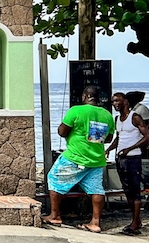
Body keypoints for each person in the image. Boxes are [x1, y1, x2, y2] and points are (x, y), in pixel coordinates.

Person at [46, 85, 116, 233]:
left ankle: (55, 215)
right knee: (97, 189)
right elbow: (108, 138)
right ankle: (95, 223)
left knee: (53, 178)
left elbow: (62, 132)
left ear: (85, 96)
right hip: (96, 159)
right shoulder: (107, 115)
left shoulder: (76, 111)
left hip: (75, 157)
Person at [106, 91, 149, 235]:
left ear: (125, 102)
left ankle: (135, 222)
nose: (115, 104)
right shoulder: (117, 119)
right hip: (121, 158)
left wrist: (130, 148)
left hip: (133, 158)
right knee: (127, 191)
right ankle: (135, 220)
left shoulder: (135, 117)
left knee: (135, 191)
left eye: (117, 101)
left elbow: (147, 137)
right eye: (113, 102)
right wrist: (109, 149)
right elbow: (119, 137)